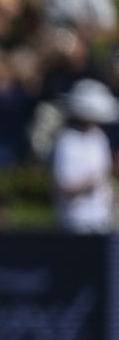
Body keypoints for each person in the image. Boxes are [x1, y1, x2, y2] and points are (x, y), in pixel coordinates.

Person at [51, 79, 117, 234]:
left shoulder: (99, 137)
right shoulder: (66, 141)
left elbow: (105, 176)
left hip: (102, 220)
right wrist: (88, 186)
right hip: (76, 221)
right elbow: (65, 187)